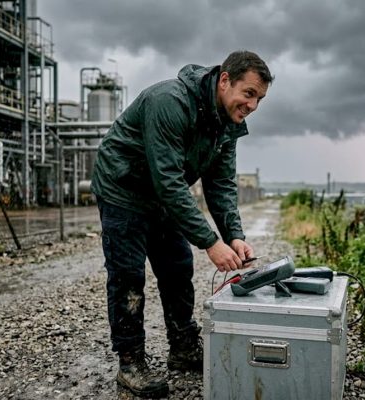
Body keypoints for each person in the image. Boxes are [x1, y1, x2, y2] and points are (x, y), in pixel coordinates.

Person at [91, 50, 273, 398]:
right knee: (129, 276)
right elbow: (169, 180)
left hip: (162, 196)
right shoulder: (169, 102)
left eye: (259, 99)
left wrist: (233, 236)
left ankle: (183, 348)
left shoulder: (228, 124)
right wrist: (210, 241)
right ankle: (130, 363)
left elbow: (220, 184)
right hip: (124, 189)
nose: (252, 105)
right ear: (224, 81)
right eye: (248, 94)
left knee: (177, 268)